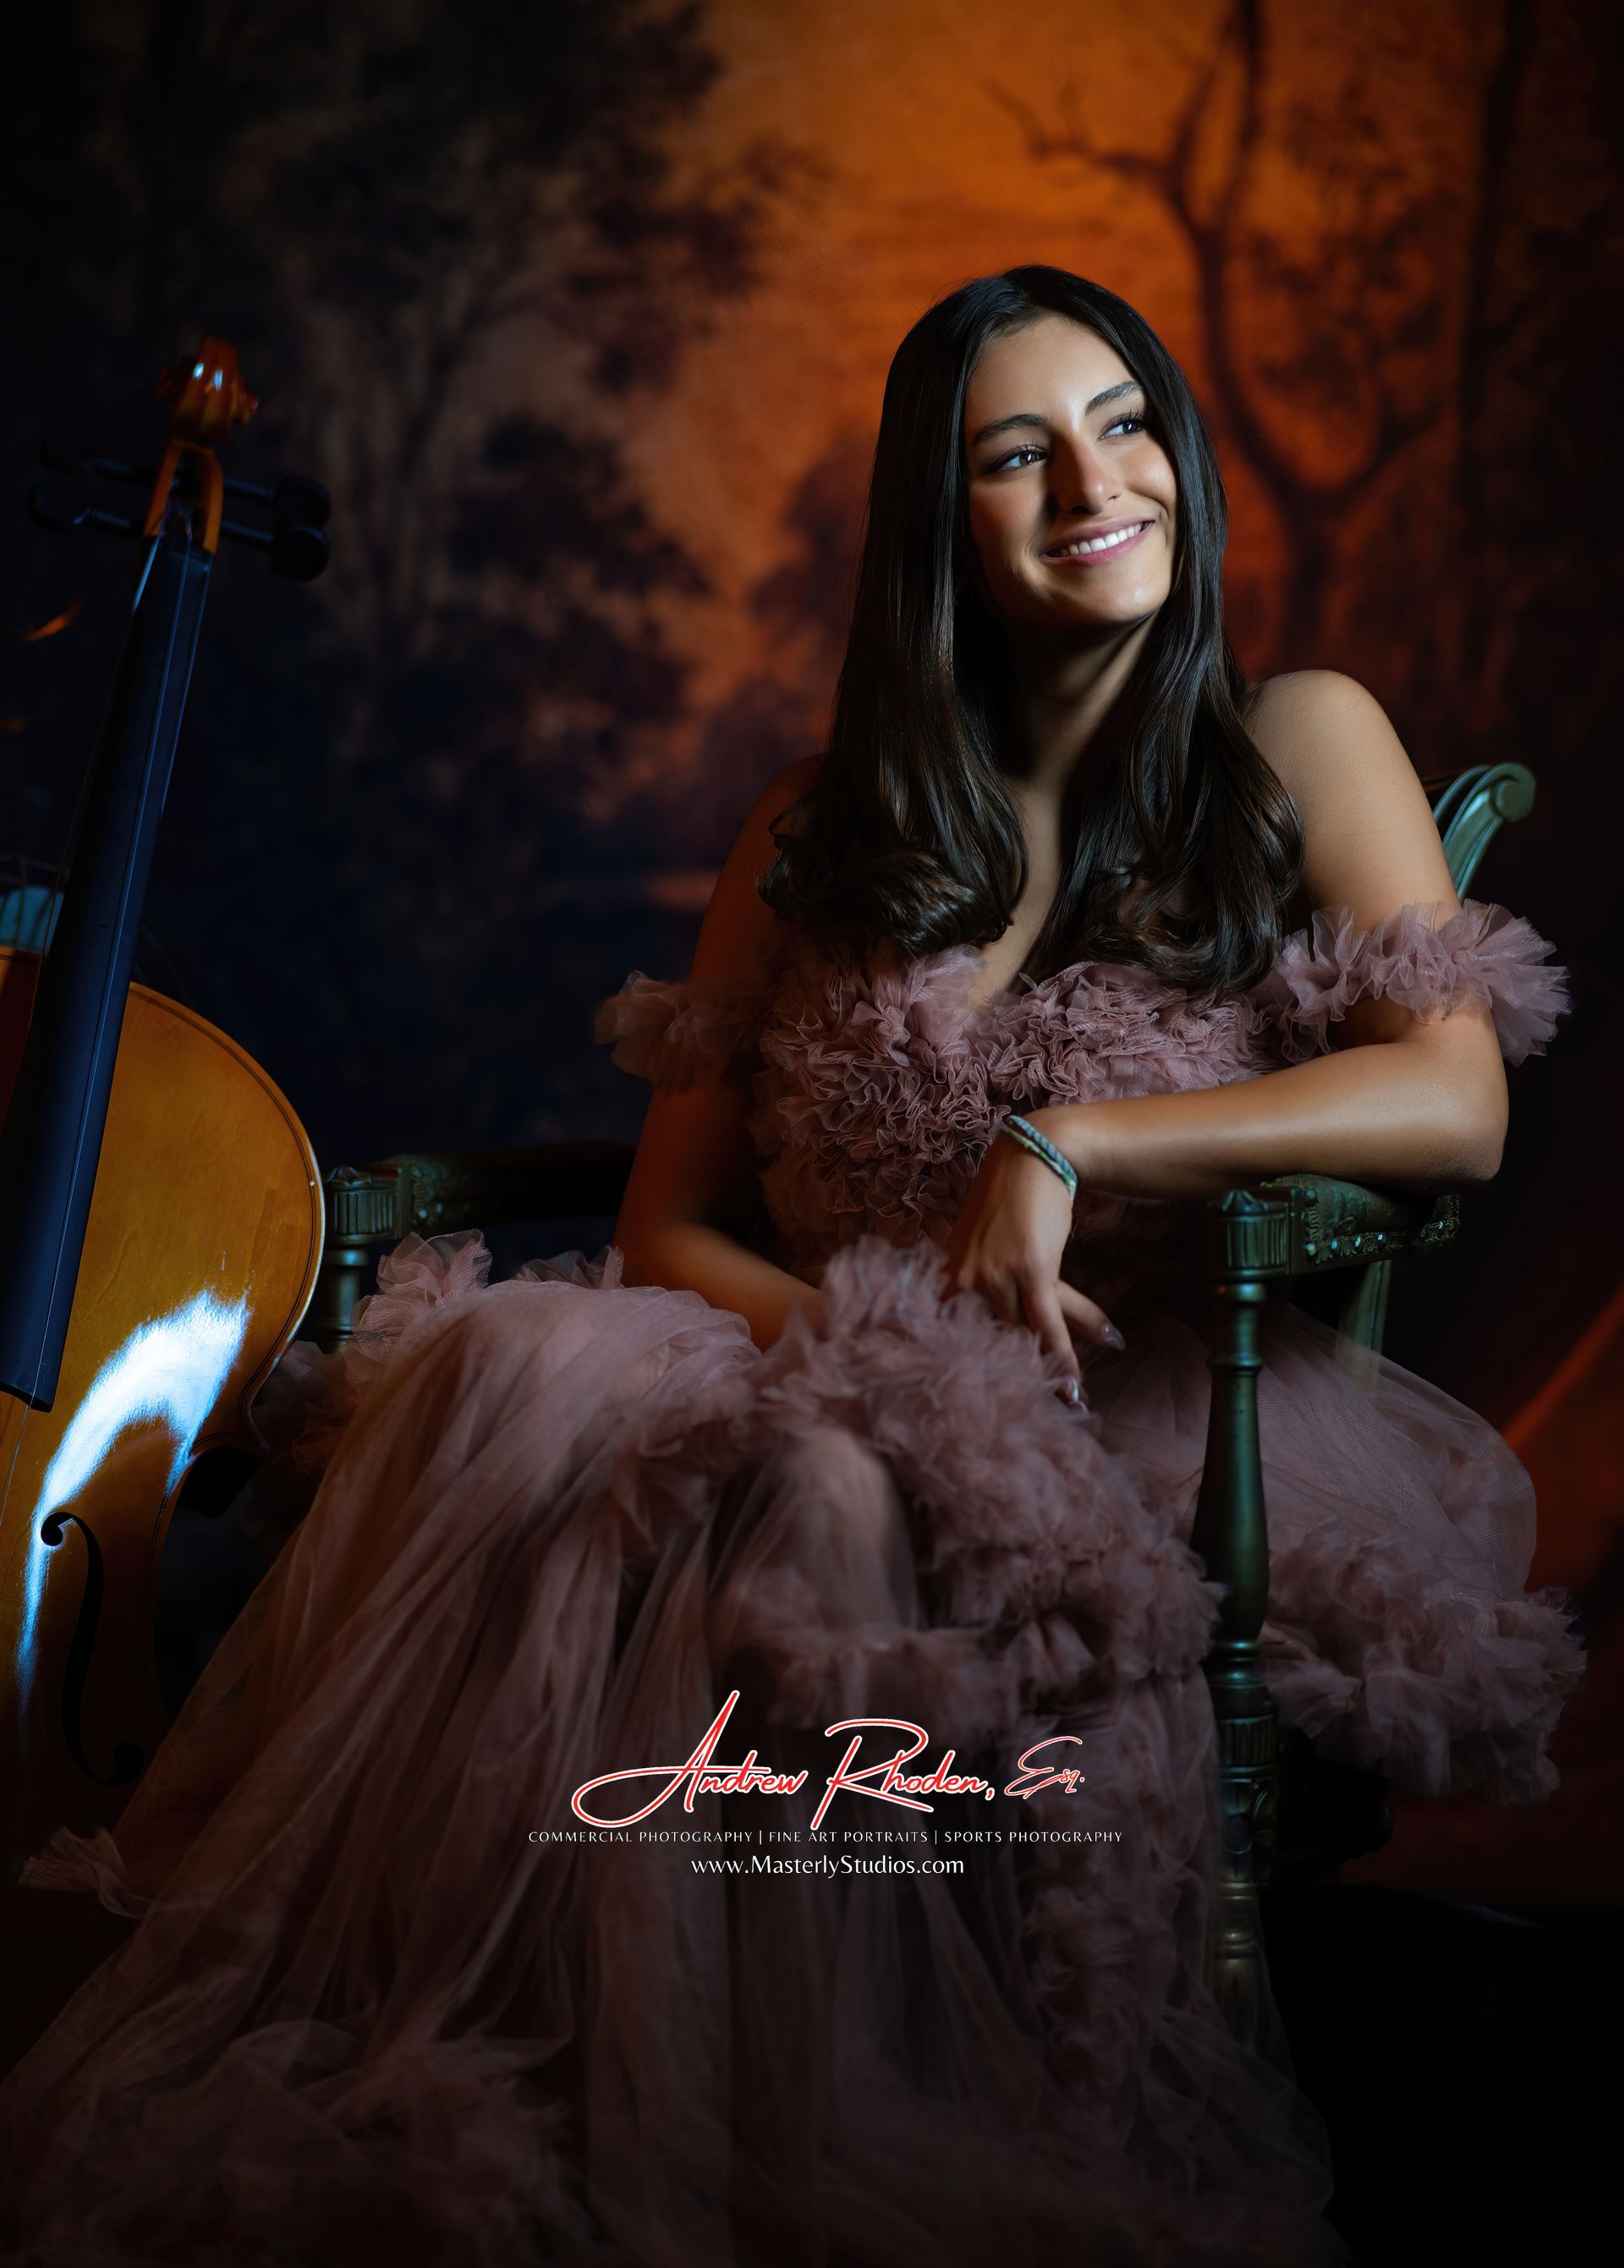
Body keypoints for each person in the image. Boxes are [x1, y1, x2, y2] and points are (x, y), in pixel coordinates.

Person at [0, 266, 1581, 2268]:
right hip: (810, 1362)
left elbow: (1456, 1100)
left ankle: (795, 2144)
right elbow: (670, 1231)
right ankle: (628, 2113)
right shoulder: (818, 830)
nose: (1095, 486)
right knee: (592, 1404)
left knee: (811, 1497)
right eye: (1019, 455)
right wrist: (880, 1356)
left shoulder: (1295, 738)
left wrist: (1066, 1143)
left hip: (1121, 1408)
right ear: (941, 521)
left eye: (1125, 427)